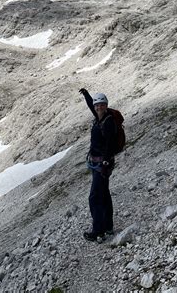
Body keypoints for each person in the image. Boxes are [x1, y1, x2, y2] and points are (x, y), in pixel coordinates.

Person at [79, 88, 117, 242]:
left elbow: (110, 143)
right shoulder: (99, 117)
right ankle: (108, 227)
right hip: (98, 163)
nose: (98, 107)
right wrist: (87, 95)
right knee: (104, 194)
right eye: (97, 105)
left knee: (94, 197)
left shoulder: (108, 122)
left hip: (102, 164)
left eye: (101, 104)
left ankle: (98, 231)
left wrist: (106, 161)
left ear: (106, 105)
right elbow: (91, 106)